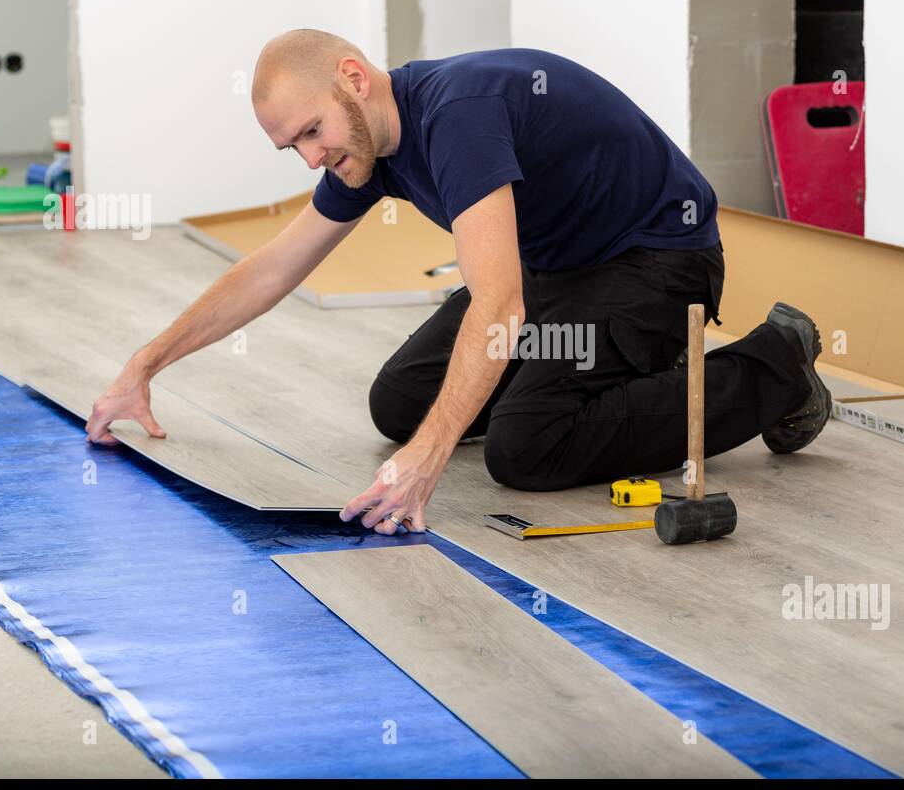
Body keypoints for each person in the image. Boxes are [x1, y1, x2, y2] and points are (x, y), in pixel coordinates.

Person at [87, 29, 830, 536]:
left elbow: (501, 304)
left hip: (658, 261)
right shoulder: (368, 150)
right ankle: (616, 372)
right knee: (400, 402)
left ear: (354, 78)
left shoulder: (458, 116)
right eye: (293, 147)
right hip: (561, 271)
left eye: (312, 132)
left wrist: (429, 459)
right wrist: (144, 364)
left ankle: (777, 366)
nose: (311, 158)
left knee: (525, 450)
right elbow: (274, 266)